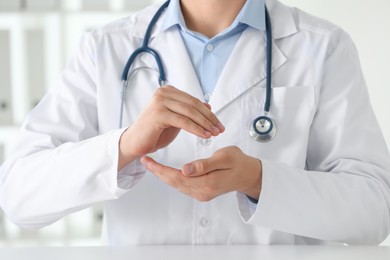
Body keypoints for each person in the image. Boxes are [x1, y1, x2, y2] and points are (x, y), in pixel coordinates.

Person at [1, 0, 390, 245]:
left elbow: (373, 211)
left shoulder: (322, 46)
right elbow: (18, 195)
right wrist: (124, 147)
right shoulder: (106, 47)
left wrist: (258, 180)